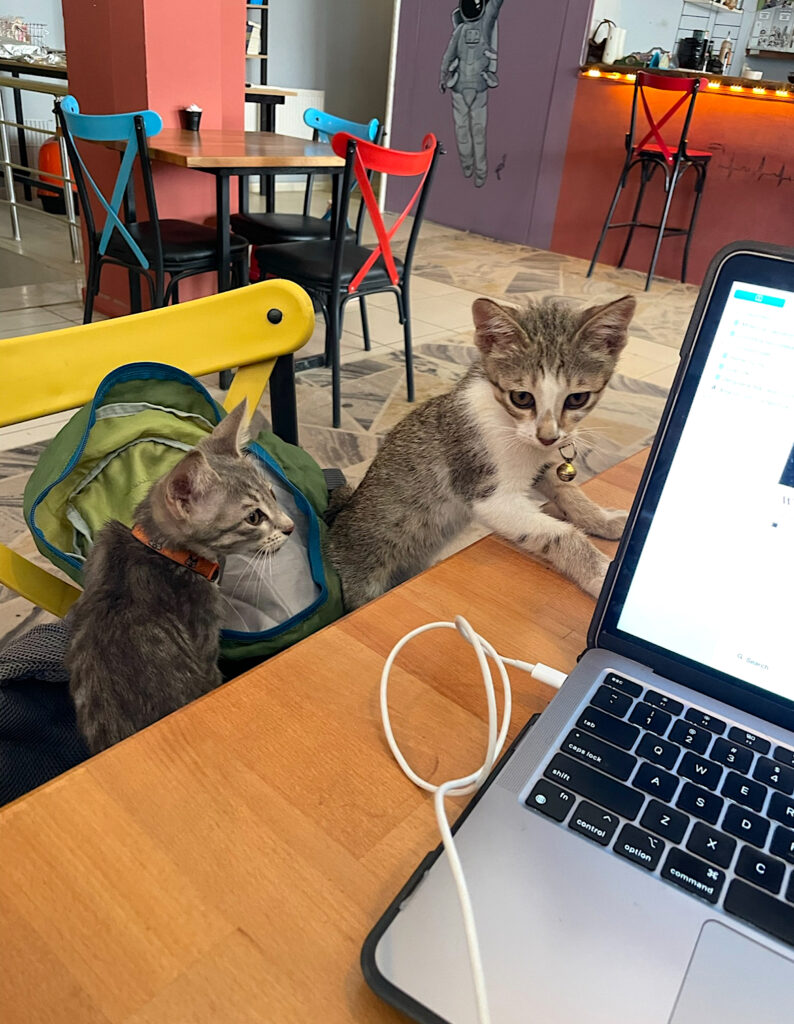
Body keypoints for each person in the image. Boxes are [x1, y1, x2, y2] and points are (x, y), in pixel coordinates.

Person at [439, 0, 505, 188]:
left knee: (474, 132)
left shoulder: (483, 25)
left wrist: (443, 77)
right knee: (467, 132)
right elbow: (448, 55)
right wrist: (443, 77)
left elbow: (493, 7)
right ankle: (470, 167)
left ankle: (478, 171)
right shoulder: (462, 30)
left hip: (474, 89)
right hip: (463, 89)